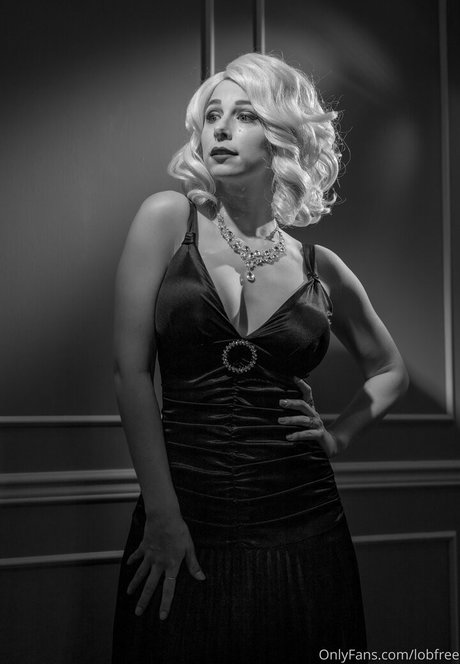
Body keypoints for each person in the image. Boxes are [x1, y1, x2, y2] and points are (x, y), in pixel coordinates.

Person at [111, 52, 409, 663]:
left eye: (243, 115)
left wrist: (339, 435)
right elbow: (131, 374)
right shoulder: (167, 220)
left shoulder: (319, 268)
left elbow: (390, 371)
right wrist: (162, 515)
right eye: (211, 116)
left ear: (280, 134)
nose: (220, 129)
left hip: (305, 520)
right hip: (185, 512)